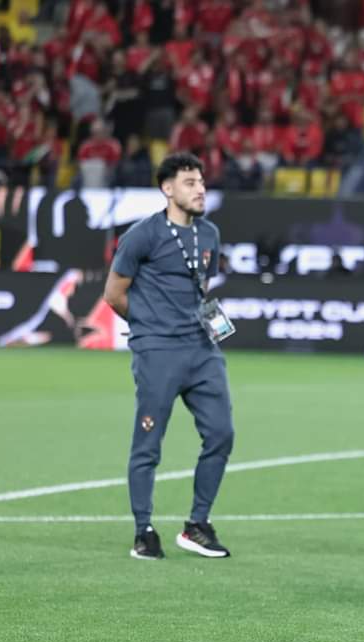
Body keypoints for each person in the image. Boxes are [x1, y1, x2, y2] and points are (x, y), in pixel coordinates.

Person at [104, 152, 235, 560]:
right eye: (190, 183)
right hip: (158, 352)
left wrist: (211, 329)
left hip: (202, 351)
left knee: (221, 434)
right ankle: (144, 532)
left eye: (202, 182)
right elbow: (114, 294)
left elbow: (201, 290)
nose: (200, 189)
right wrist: (150, 327)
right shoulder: (142, 235)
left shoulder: (209, 233)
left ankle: (197, 526)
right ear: (167, 188)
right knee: (148, 444)